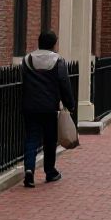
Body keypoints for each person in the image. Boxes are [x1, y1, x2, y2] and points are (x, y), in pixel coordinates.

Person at [22, 30, 76, 188]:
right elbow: (64, 84)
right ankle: (50, 171)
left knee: (31, 138)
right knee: (49, 140)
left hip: (30, 106)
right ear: (53, 44)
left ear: (39, 42)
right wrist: (69, 104)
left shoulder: (27, 59)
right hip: (49, 107)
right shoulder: (58, 60)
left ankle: (29, 170)